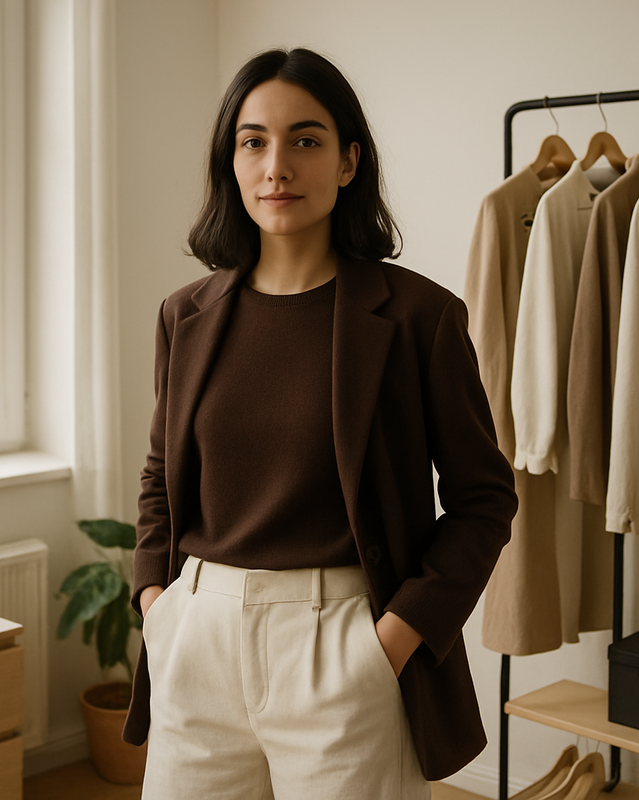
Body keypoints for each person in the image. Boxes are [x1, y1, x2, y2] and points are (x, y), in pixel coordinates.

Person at [123, 47, 517, 800]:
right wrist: (156, 605)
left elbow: (483, 500)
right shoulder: (187, 316)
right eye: (254, 142)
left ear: (347, 162)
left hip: (343, 642)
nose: (277, 166)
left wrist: (390, 644)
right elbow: (158, 480)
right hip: (196, 638)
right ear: (231, 164)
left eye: (305, 140)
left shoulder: (418, 319)